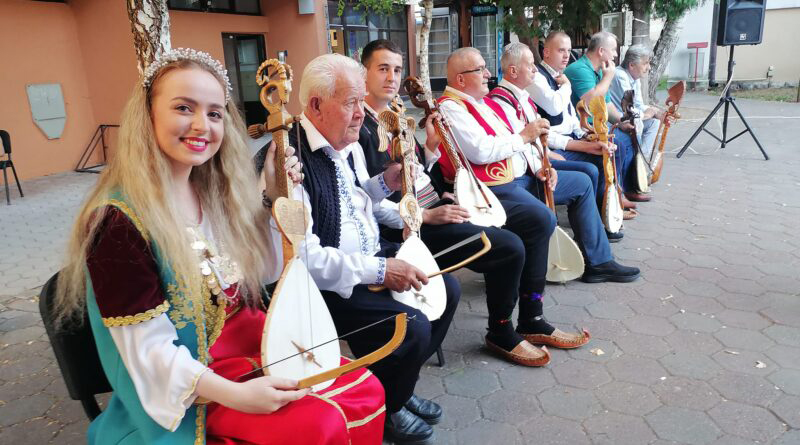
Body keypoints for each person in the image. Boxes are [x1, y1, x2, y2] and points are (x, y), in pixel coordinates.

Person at [53, 48, 386, 444]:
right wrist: (240, 396)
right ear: (148, 115)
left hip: (248, 349)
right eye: (183, 107)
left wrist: (273, 203)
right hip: (191, 386)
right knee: (319, 424)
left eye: (214, 113)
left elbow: (262, 274)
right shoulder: (118, 222)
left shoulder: (212, 191)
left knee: (365, 390)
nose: (201, 125)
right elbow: (150, 353)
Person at [262, 53, 460, 445]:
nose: (360, 113)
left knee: (448, 290)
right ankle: (386, 409)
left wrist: (384, 183)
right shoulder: (290, 160)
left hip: (370, 255)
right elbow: (306, 258)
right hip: (331, 285)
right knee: (412, 327)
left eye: (359, 101)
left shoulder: (344, 142)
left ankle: (397, 389)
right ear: (316, 105)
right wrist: (383, 271)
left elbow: (350, 199)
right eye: (351, 102)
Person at [360, 40, 590, 368]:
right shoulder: (362, 127)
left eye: (397, 69)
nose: (392, 77)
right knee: (511, 245)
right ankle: (500, 330)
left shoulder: (396, 115)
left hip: (438, 205)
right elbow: (366, 199)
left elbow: (413, 176)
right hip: (411, 228)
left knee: (538, 222)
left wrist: (429, 154)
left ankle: (532, 315)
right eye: (383, 69)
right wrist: (427, 214)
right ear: (363, 73)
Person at [441, 46, 640, 284]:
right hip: (495, 186)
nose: (487, 74)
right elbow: (486, 149)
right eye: (481, 69)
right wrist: (534, 145)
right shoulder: (457, 105)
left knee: (585, 177)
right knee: (555, 206)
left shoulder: (482, 103)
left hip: (517, 176)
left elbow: (524, 141)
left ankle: (595, 255)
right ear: (461, 79)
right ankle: (562, 274)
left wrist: (540, 166)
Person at [528, 32, 618, 209]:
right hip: (553, 145)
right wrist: (567, 86)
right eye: (561, 50)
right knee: (595, 164)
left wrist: (585, 133)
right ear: (546, 52)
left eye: (568, 50)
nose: (566, 55)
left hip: (568, 137)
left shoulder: (559, 75)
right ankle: (602, 210)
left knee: (609, 150)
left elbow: (570, 117)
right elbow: (554, 106)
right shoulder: (537, 76)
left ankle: (608, 206)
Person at [563, 31, 650, 204]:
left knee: (629, 136)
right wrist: (609, 76)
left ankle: (624, 188)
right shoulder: (579, 69)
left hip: (597, 126)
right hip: (582, 128)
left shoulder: (601, 71)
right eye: (614, 50)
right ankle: (609, 199)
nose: (616, 55)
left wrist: (622, 122)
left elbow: (607, 105)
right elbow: (592, 102)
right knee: (617, 144)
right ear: (601, 51)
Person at [609, 44, 663, 158]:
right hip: (616, 121)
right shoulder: (620, 75)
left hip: (628, 119)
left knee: (654, 122)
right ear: (632, 65)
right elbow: (630, 109)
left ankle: (641, 160)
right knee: (638, 123)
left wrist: (652, 110)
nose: (648, 67)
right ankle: (638, 161)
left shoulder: (634, 78)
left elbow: (638, 104)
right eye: (645, 63)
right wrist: (647, 113)